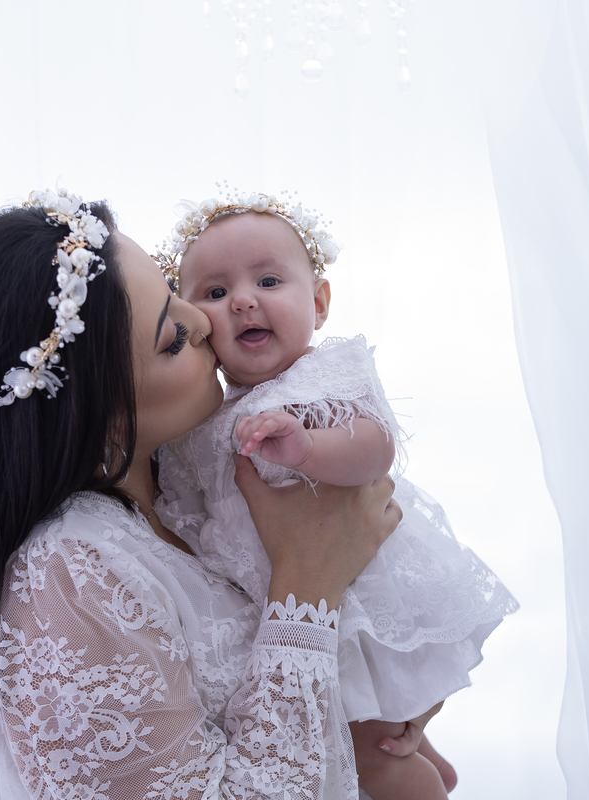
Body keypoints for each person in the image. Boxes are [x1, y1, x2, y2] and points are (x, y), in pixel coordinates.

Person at [0, 188, 404, 800]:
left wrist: (396, 696)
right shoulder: (67, 581)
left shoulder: (186, 483)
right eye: (171, 339)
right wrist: (306, 588)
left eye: (173, 292)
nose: (203, 321)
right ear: (102, 416)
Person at [153, 190, 519, 799]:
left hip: (354, 601)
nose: (242, 299)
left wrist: (308, 450)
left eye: (268, 280)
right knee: (376, 734)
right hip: (292, 602)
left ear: (319, 302)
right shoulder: (205, 417)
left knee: (371, 750)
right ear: (192, 325)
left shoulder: (322, 378)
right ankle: (434, 770)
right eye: (214, 293)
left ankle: (421, 784)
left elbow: (377, 447)